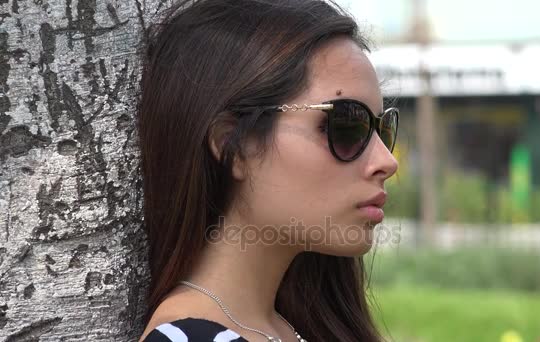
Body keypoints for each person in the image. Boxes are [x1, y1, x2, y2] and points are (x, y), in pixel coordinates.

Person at [136, 0, 399, 341]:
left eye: (384, 129)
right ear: (233, 145)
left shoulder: (295, 327)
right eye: (348, 125)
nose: (387, 161)